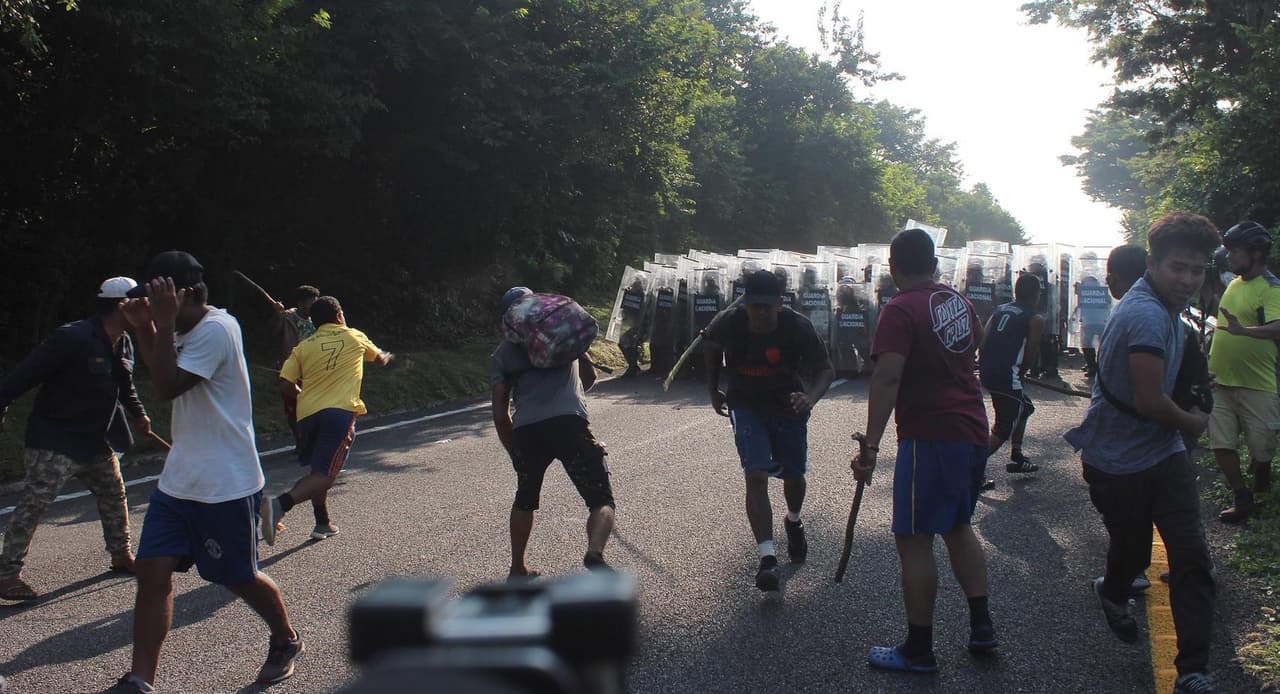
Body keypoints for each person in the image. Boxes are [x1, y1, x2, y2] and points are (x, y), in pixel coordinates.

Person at [107, 252, 302, 693]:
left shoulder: (218, 329)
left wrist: (150, 326)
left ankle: (285, 639)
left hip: (225, 483)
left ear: (189, 295)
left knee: (236, 577)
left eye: (163, 297)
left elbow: (166, 386)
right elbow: (163, 370)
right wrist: (146, 326)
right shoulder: (176, 329)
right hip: (179, 482)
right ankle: (140, 681)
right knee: (152, 576)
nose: (156, 306)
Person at [1064, 214, 1223, 694]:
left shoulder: (1168, 308)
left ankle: (1193, 670)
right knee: (1131, 555)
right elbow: (1152, 401)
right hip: (1116, 460)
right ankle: (1111, 591)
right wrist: (1196, 422)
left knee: (1192, 557)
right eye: (1178, 267)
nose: (1188, 280)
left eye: (1197, 270)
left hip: (1163, 454)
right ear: (1153, 263)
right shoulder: (1146, 316)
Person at [852, 228, 996, 673]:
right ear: (934, 263)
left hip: (931, 435)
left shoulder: (900, 308)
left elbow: (888, 378)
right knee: (958, 525)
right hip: (971, 429)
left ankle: (918, 649)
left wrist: (871, 444)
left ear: (893, 268)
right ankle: (981, 627)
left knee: (914, 538)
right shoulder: (959, 302)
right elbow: (975, 351)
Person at [0, 277, 151, 601]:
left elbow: (125, 384)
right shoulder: (73, 337)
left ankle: (121, 554)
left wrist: (138, 413)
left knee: (114, 493)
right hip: (55, 438)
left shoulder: (124, 341)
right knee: (35, 503)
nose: (146, 306)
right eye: (138, 300)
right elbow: (27, 372)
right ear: (121, 304)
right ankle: (7, 574)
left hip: (96, 440)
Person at [704, 270, 834, 592]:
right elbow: (709, 349)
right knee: (756, 474)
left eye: (767, 306)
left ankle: (793, 520)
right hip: (745, 405)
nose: (760, 313)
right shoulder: (729, 321)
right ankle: (767, 559)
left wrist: (810, 397)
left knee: (793, 476)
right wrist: (713, 389)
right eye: (754, 306)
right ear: (745, 303)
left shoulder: (797, 326)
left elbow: (826, 369)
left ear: (779, 304)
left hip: (787, 406)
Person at [491, 287, 616, 577]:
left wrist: (515, 452)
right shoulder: (562, 335)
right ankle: (594, 552)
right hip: (569, 424)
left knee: (525, 498)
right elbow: (589, 379)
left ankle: (517, 567)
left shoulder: (502, 353)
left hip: (527, 432)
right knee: (600, 500)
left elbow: (500, 416)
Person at [261, 296, 393, 545]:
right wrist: (386, 356)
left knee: (318, 470)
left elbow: (284, 384)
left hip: (307, 415)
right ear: (340, 315)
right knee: (326, 475)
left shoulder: (304, 347)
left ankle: (322, 522)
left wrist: (304, 397)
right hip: (339, 413)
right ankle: (280, 505)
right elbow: (379, 358)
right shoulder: (354, 336)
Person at [1207, 221, 1280, 523]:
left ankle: (1262, 476)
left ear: (1256, 253)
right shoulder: (1234, 283)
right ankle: (1242, 496)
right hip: (1219, 380)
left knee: (1262, 446)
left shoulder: (1271, 289)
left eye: (1235, 251)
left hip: (1258, 382)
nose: (1229, 256)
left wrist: (1243, 331)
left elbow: (1277, 326)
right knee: (1221, 442)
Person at [978, 273, 1044, 475]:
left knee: (1025, 408)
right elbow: (1031, 352)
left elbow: (983, 340)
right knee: (1003, 428)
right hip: (1006, 376)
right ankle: (970, 469)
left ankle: (1017, 454)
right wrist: (1021, 375)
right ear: (1036, 294)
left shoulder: (1000, 310)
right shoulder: (1035, 318)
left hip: (989, 370)